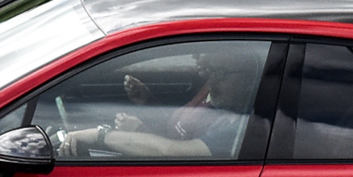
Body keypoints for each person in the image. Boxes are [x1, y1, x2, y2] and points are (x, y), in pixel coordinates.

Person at [58, 55, 257, 160]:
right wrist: (148, 104)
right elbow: (179, 127)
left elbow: (172, 151)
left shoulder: (238, 128)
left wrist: (100, 135)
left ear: (250, 79)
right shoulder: (214, 95)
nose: (211, 79)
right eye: (210, 71)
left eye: (220, 74)